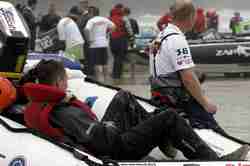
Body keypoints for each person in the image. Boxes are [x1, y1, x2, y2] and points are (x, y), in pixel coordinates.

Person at [19, 59, 250, 161]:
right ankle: (210, 159)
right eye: (65, 82)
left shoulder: (39, 104)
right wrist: (108, 125)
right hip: (115, 149)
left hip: (104, 139)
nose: (67, 86)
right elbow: (102, 141)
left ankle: (163, 136)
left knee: (123, 97)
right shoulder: (64, 110)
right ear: (58, 84)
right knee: (169, 117)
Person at [150, 0, 228, 137]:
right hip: (177, 98)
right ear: (191, 17)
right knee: (214, 127)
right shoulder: (177, 40)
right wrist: (205, 103)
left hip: (160, 95)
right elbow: (188, 79)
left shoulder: (160, 36)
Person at [84, 7, 116, 81]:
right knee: (104, 63)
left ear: (92, 13)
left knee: (96, 63)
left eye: (89, 13)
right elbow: (114, 27)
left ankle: (98, 79)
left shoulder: (91, 21)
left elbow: (86, 30)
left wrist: (88, 40)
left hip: (94, 44)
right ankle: (106, 79)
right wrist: (108, 34)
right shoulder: (104, 19)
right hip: (104, 43)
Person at [109, 4, 133, 82]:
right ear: (121, 9)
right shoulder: (124, 18)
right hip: (121, 40)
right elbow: (129, 29)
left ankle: (114, 74)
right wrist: (131, 37)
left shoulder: (109, 18)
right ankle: (117, 75)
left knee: (115, 57)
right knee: (120, 58)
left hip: (112, 40)